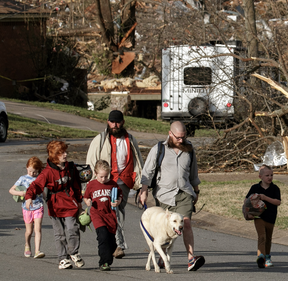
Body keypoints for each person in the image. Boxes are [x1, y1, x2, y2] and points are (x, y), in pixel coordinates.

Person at [138, 121, 205, 271]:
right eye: (178, 137)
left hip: (184, 193)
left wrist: (196, 190)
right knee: (166, 228)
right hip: (164, 195)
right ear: (170, 134)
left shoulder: (189, 149)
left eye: (183, 137)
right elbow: (147, 171)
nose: (181, 140)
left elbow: (193, 172)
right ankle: (163, 257)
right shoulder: (159, 149)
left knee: (185, 223)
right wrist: (144, 190)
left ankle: (191, 259)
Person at [85, 110, 144, 259]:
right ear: (108, 122)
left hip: (123, 181)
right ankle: (117, 244)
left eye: (118, 122)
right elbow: (91, 163)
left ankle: (117, 244)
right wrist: (91, 185)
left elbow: (138, 161)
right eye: (112, 122)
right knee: (111, 211)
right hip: (105, 181)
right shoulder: (100, 140)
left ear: (123, 122)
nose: (115, 125)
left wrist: (141, 184)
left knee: (119, 210)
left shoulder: (130, 139)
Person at [25, 140, 84, 270]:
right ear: (54, 155)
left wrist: (79, 201)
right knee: (60, 234)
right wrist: (29, 197)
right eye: (62, 152)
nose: (65, 154)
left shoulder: (71, 168)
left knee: (72, 228)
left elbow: (76, 185)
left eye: (65, 151)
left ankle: (73, 252)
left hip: (70, 203)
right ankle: (63, 259)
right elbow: (36, 186)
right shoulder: (47, 172)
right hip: (55, 205)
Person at [83, 160, 123, 271]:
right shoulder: (91, 185)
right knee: (103, 236)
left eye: (106, 176)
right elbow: (86, 197)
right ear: (95, 173)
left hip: (110, 215)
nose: (103, 179)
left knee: (110, 240)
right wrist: (87, 202)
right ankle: (104, 262)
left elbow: (119, 195)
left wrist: (118, 201)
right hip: (97, 214)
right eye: (101, 176)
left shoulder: (112, 184)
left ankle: (110, 254)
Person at [244, 166, 282, 268]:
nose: (270, 177)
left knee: (268, 238)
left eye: (271, 175)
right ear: (260, 176)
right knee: (262, 236)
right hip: (259, 216)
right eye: (267, 175)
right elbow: (246, 200)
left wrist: (265, 198)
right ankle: (261, 256)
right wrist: (249, 211)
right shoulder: (255, 188)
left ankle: (267, 257)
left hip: (271, 217)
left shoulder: (275, 188)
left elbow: (277, 202)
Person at [9, 157, 46, 259]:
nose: (32, 174)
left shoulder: (40, 179)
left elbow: (43, 192)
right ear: (26, 168)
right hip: (27, 208)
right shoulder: (23, 178)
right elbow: (11, 190)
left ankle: (37, 250)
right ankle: (27, 244)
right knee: (29, 231)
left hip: (38, 206)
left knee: (37, 229)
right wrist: (21, 193)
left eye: (34, 172)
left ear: (38, 170)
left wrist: (48, 200)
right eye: (30, 171)